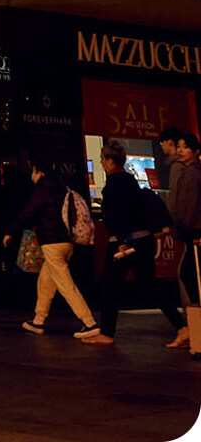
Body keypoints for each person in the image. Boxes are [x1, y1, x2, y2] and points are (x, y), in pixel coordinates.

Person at [91, 139, 186, 346]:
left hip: (123, 244)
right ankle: (182, 327)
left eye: (102, 160)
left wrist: (122, 241)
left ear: (109, 161)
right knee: (150, 285)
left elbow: (115, 217)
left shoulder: (112, 187)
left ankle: (106, 333)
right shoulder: (132, 182)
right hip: (144, 241)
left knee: (110, 287)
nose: (101, 164)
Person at [1, 159, 100, 339]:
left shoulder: (42, 190)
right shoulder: (62, 187)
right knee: (46, 280)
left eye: (34, 171)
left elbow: (28, 213)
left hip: (52, 242)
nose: (32, 175)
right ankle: (38, 320)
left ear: (40, 173)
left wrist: (10, 231)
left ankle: (89, 322)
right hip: (67, 242)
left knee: (65, 284)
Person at [172, 132, 201, 356]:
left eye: (185, 147)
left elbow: (189, 207)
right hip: (192, 233)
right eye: (179, 147)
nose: (181, 150)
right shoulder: (190, 171)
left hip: (194, 234)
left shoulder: (192, 174)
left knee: (190, 277)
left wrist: (181, 227)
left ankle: (197, 336)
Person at [161, 126, 187, 215]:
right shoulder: (182, 163)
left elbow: (175, 194)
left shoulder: (177, 166)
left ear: (170, 142)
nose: (161, 146)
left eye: (162, 143)